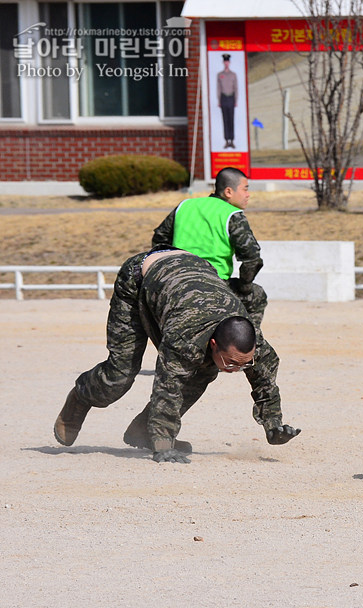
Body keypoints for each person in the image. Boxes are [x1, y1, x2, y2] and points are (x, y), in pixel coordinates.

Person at [53, 249, 300, 463]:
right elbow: (167, 386)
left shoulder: (255, 344)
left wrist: (273, 425)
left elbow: (265, 383)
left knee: (204, 371)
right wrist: (163, 446)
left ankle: (143, 430)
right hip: (139, 277)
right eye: (231, 363)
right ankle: (80, 399)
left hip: (191, 273)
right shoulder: (185, 339)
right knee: (120, 374)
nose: (235, 369)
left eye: (242, 364)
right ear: (213, 344)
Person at [152, 167, 267, 327]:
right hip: (214, 284)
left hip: (175, 283)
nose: (248, 195)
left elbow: (159, 240)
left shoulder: (184, 206)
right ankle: (247, 344)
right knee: (257, 295)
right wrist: (244, 287)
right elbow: (252, 258)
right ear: (228, 192)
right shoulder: (232, 215)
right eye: (245, 189)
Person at [217, 54, 238, 149]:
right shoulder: (220, 75)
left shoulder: (233, 75)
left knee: (231, 119)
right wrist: (219, 100)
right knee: (225, 119)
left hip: (231, 98)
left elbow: (236, 88)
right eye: (225, 61)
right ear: (223, 62)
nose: (226, 63)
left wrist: (236, 100)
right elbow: (218, 88)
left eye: (227, 61)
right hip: (224, 98)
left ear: (229, 63)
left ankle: (232, 140)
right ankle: (226, 140)